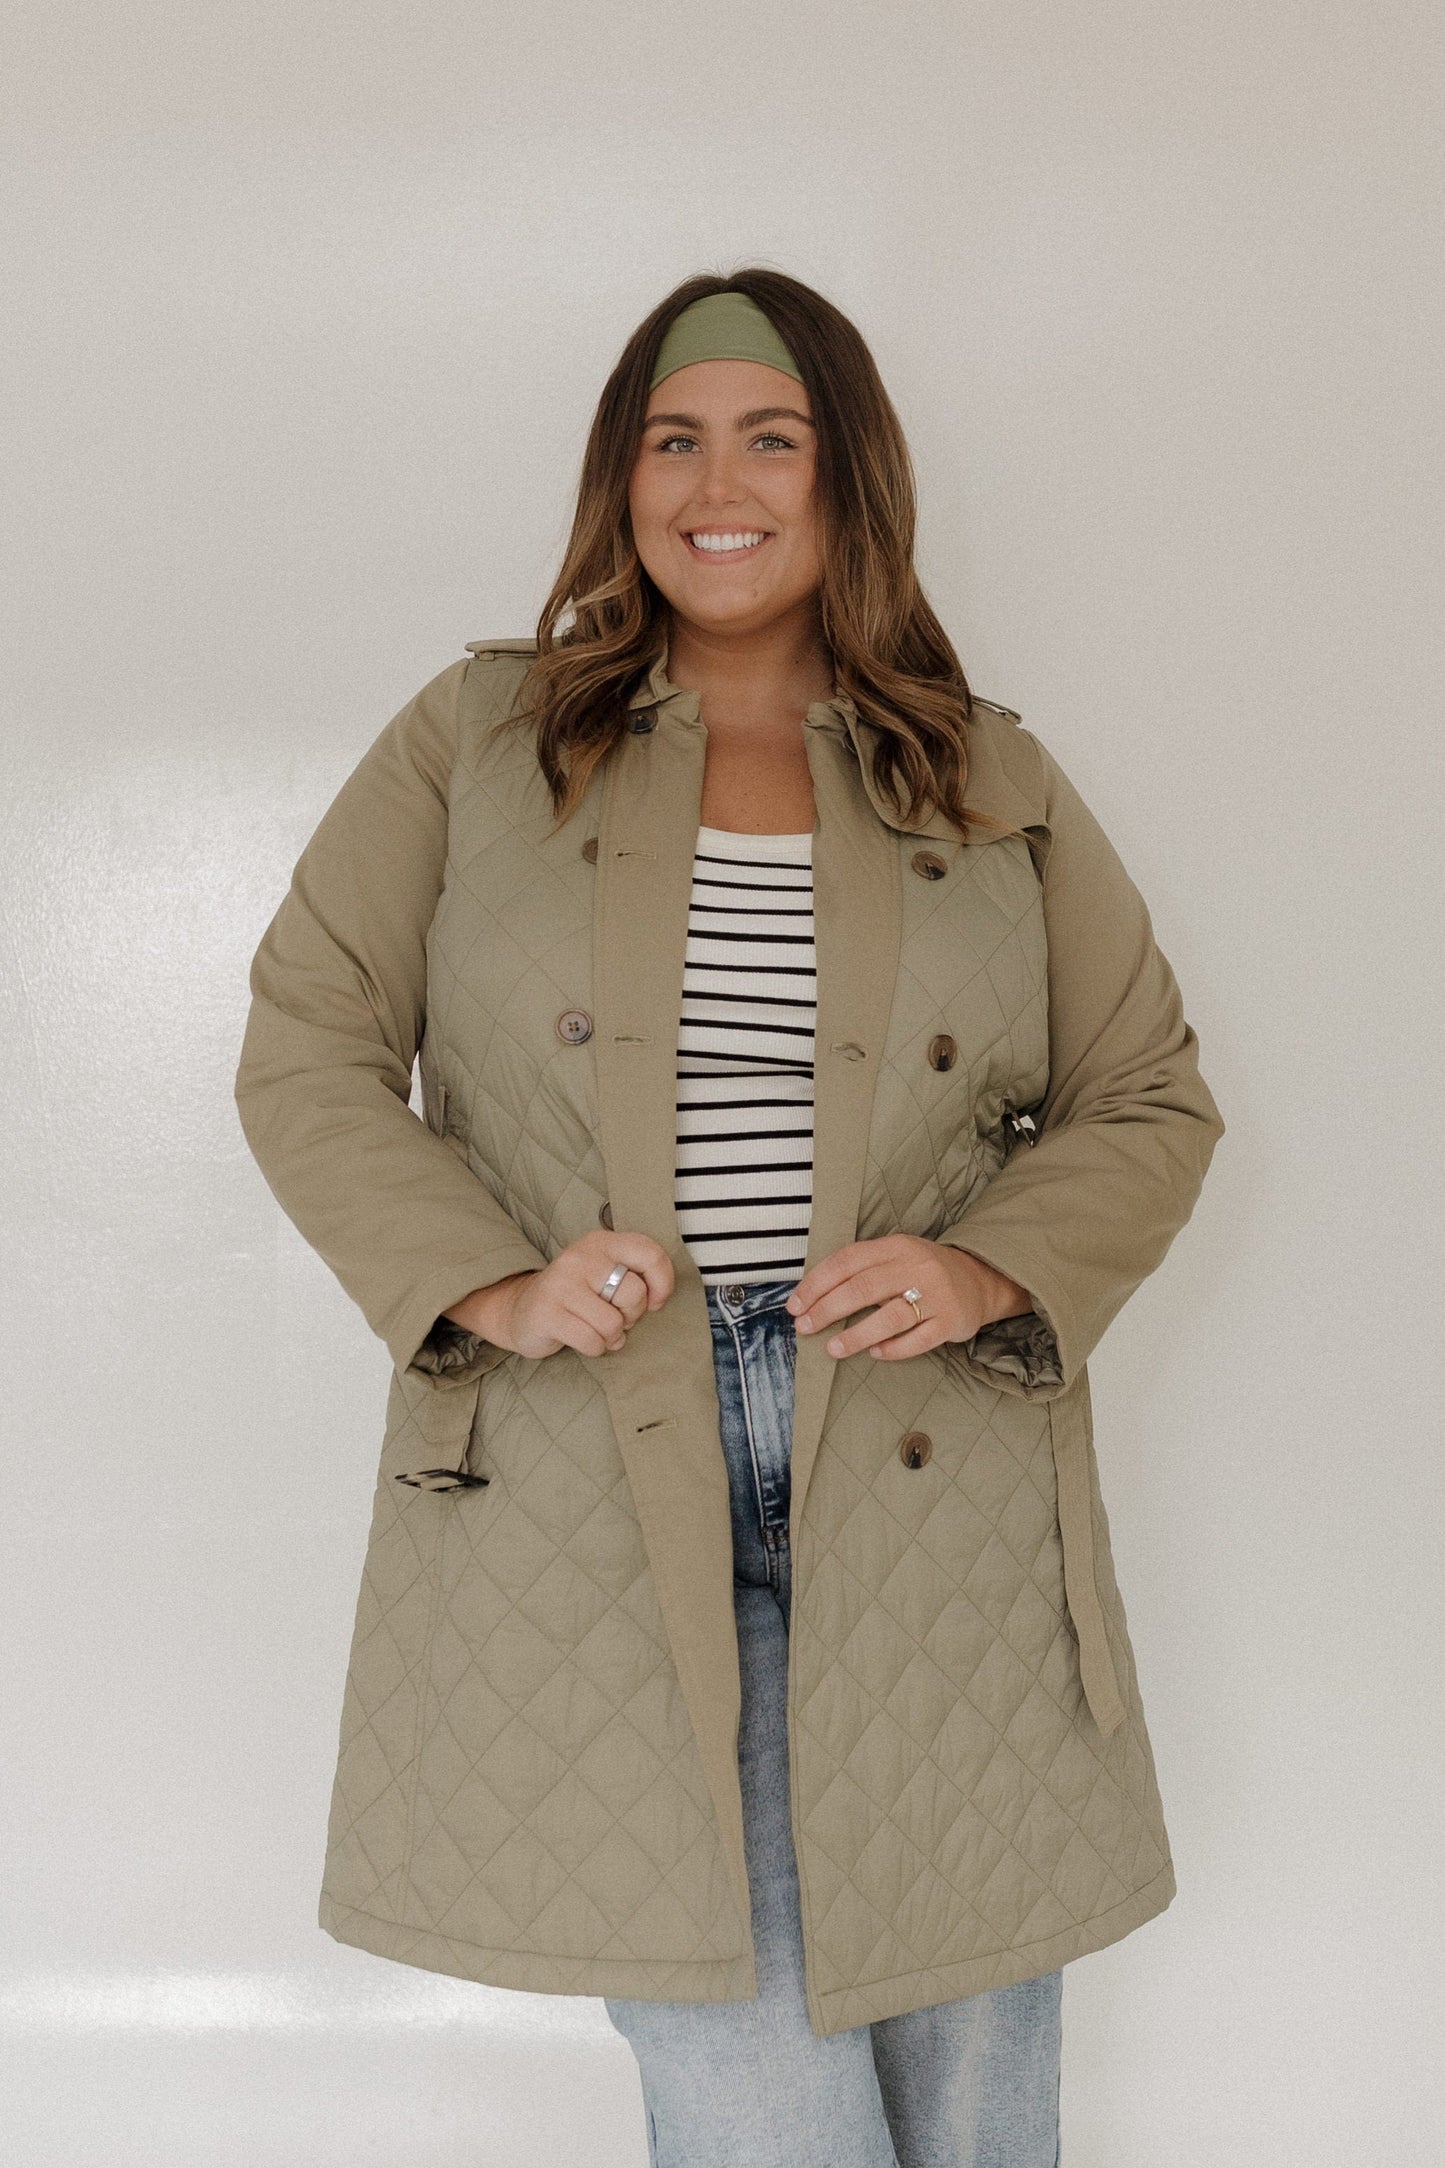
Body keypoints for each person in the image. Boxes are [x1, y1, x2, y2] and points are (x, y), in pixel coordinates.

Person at [234, 271, 1225, 2168]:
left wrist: (979, 1262)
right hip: (601, 1465)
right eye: (668, 439)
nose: (718, 480)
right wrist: (492, 1285)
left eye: (771, 436)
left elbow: (1149, 1095)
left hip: (931, 1472)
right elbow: (308, 1047)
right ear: (619, 483)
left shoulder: (983, 769)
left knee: (976, 2097)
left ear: (849, 479)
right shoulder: (478, 741)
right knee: (756, 2099)